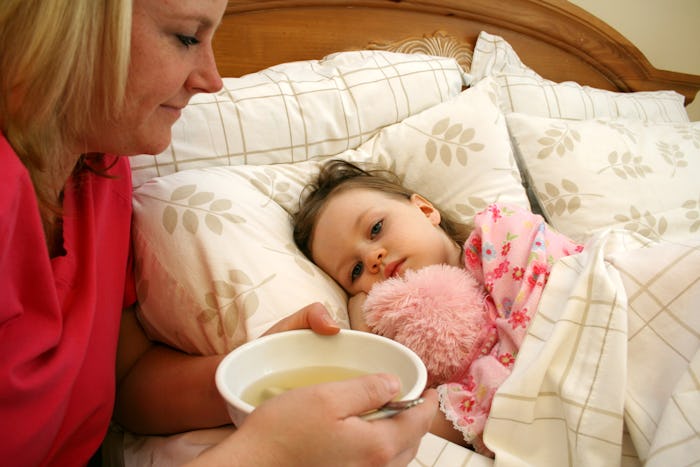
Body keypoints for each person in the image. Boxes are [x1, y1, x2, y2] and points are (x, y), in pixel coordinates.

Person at [0, 1, 437, 466]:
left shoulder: (102, 171)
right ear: (68, 27)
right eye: (187, 38)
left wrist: (265, 365)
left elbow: (126, 382)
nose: (211, 79)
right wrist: (268, 454)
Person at [293, 159, 584, 455]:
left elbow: (540, 334)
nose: (372, 258)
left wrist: (448, 412)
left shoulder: (501, 229)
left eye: (376, 228)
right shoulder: (421, 348)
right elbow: (397, 404)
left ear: (425, 210)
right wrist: (368, 332)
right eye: (355, 271)